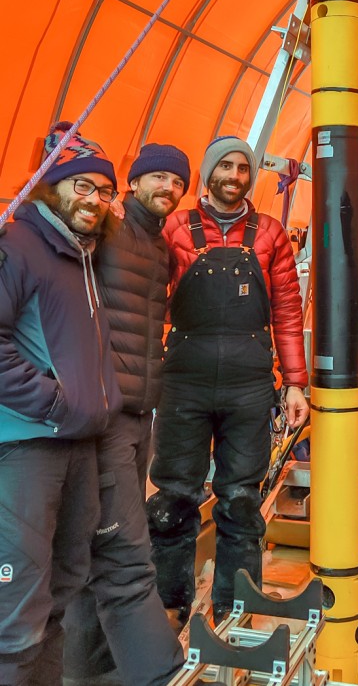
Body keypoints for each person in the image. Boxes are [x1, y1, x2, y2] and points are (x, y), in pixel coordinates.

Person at [147, 135, 309, 628]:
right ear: (209, 173)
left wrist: (295, 382)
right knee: (174, 496)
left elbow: (285, 310)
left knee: (241, 498)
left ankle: (235, 607)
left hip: (249, 386)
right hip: (183, 384)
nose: (235, 176)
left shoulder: (270, 232)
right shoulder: (173, 228)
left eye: (244, 168)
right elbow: (147, 302)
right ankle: (168, 607)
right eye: (226, 167)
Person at [62, 142, 191, 686]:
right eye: (156, 177)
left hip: (141, 414)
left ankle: (88, 667)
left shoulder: (161, 248)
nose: (166, 187)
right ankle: (148, 670)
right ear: (133, 184)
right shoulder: (108, 232)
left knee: (97, 539)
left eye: (176, 182)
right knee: (121, 542)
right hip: (107, 413)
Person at [0, 128, 123, 686]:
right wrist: (53, 399)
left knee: (63, 587)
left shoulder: (82, 258)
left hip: (76, 441)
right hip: (27, 444)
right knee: (19, 604)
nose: (93, 199)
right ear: (53, 188)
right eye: (82, 185)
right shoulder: (20, 245)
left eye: (103, 191)